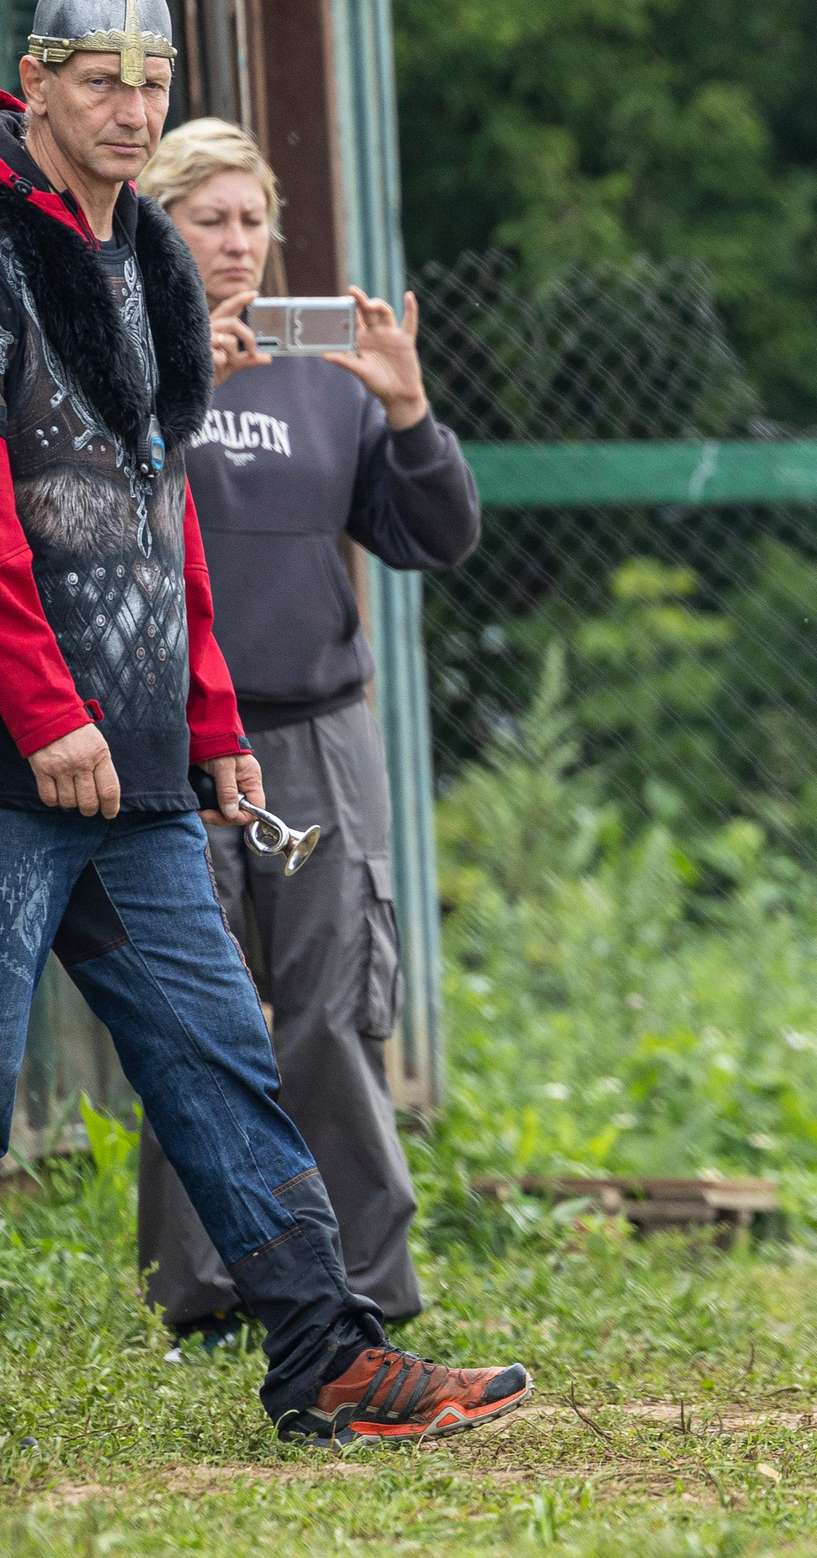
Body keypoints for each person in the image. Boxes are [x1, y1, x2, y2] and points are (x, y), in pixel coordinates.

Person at [0, 0, 525, 1446]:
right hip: (22, 754)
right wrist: (45, 709)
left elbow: (164, 522)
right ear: (36, 85)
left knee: (225, 1054)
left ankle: (331, 1356)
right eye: (101, 79)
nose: (129, 102)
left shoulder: (148, 264)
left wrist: (207, 717)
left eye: (151, 80)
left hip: (143, 761)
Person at [133, 117, 480, 1350]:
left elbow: (432, 537)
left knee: (330, 1007)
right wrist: (183, 388)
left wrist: (410, 409)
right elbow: (90, 517)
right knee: (197, 1020)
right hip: (168, 742)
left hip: (319, 733)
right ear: (155, 223)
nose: (234, 245)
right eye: (206, 219)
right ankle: (209, 1299)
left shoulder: (319, 378)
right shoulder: (115, 356)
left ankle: (368, 1288)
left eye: (250, 220)